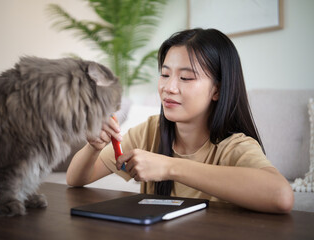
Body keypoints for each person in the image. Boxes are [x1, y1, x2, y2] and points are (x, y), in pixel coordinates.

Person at [66, 28, 294, 213]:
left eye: (186, 77)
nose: (169, 87)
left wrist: (169, 167)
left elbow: (282, 196)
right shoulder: (150, 130)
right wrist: (93, 147)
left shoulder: (233, 146)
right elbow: (75, 178)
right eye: (165, 74)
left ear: (217, 90)